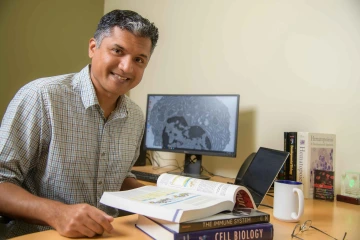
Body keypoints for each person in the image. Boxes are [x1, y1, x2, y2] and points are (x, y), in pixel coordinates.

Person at [0, 9, 159, 239]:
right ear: (93, 48)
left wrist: (163, 197)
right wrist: (56, 213)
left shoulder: (135, 116)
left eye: (139, 59)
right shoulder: (42, 97)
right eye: (117, 51)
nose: (127, 67)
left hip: (110, 234)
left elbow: (118, 180)